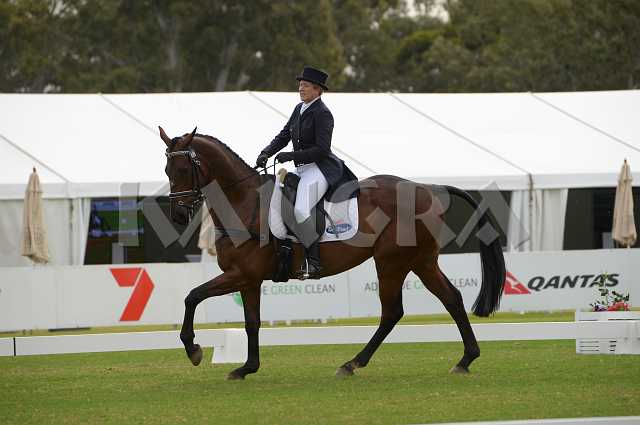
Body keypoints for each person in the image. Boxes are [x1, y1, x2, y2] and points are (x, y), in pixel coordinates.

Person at [256, 66, 358, 279]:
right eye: (300, 85)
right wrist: (266, 152)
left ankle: (314, 262)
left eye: (305, 86)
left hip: (320, 169)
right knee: (279, 202)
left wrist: (290, 156)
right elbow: (284, 136)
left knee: (301, 210)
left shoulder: (323, 113)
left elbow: (322, 150)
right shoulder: (298, 109)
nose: (300, 89)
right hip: (302, 169)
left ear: (318, 90)